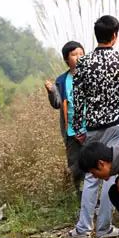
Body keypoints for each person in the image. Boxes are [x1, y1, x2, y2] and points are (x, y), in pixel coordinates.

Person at [69, 15, 119, 238]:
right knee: (111, 174)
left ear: (97, 35)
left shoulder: (83, 62)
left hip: (93, 125)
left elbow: (77, 96)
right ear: (115, 35)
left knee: (92, 175)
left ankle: (83, 228)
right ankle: (104, 228)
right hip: (118, 123)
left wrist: (77, 128)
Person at [45, 41, 87, 197]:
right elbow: (57, 104)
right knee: (75, 166)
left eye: (81, 54)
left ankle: (96, 199)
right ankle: (80, 197)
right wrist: (51, 91)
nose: (78, 57)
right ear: (66, 59)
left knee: (94, 162)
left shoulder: (91, 74)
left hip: (90, 127)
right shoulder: (62, 80)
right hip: (71, 131)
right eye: (74, 55)